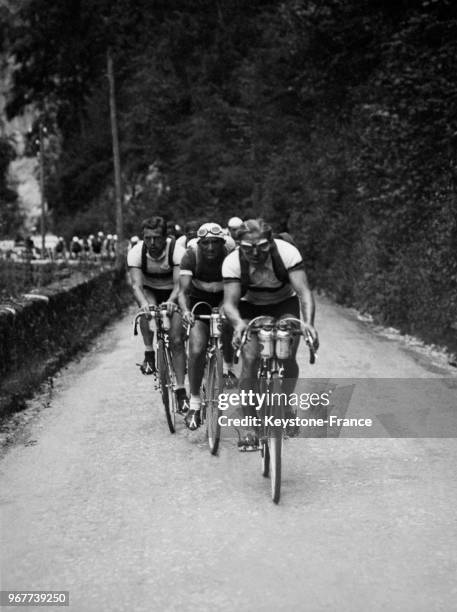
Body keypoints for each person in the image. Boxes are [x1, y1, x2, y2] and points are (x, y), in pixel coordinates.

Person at [222, 218, 319, 450]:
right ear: (238, 244)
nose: (255, 253)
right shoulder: (232, 262)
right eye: (247, 249)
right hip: (248, 306)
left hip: (283, 303)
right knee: (251, 359)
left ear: (271, 242)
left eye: (262, 247)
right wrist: (237, 325)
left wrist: (309, 324)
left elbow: (304, 293)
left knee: (287, 356)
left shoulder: (287, 253)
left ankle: (284, 405)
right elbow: (229, 303)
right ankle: (248, 426)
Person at [178, 222, 237, 430]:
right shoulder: (191, 256)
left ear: (223, 242)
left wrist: (225, 308)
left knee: (229, 324)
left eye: (215, 243)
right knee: (196, 347)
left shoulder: (232, 254)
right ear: (199, 243)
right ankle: (194, 402)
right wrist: (185, 311)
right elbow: (183, 292)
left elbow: (237, 289)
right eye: (206, 243)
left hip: (225, 298)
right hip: (198, 301)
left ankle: (228, 366)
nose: (210, 248)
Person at [127, 216, 188, 412]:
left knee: (177, 340)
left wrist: (171, 303)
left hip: (173, 291)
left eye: (156, 238)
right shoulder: (137, 252)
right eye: (148, 238)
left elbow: (180, 285)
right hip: (150, 290)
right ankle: (149, 352)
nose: (152, 243)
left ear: (165, 237)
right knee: (147, 310)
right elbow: (136, 285)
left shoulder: (177, 251)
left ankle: (180, 391)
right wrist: (144, 304)